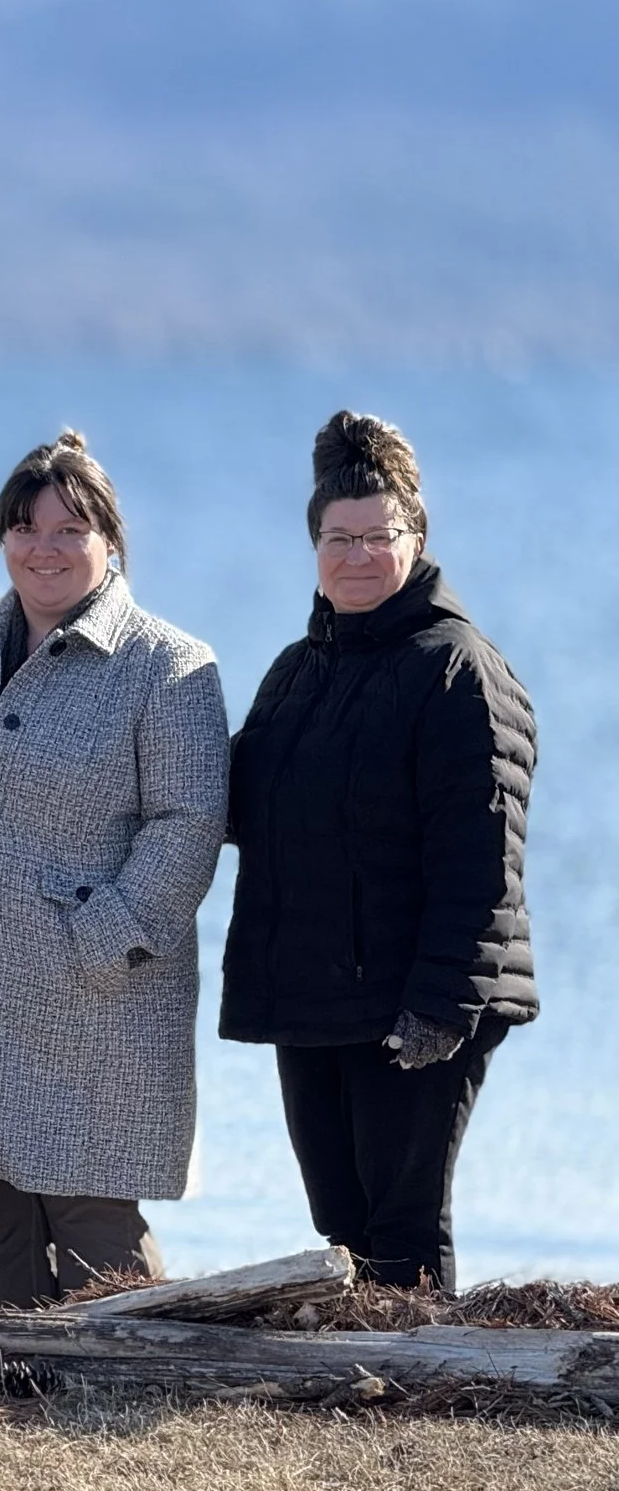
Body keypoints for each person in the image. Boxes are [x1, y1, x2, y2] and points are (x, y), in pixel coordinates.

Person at [0, 431, 228, 1309]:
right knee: (1, 1207)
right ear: (2, 537)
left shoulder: (168, 666)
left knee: (92, 1220)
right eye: (25, 526)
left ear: (110, 541)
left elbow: (189, 822)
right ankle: (20, 1380)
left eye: (69, 529)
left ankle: (130, 1380)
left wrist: (102, 936)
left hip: (96, 997)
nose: (44, 547)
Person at [222, 412, 536, 1291]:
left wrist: (440, 1010)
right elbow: (243, 807)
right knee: (340, 1230)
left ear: (416, 536)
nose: (357, 556)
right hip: (315, 997)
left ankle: (423, 1396)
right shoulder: (297, 669)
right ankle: (364, 1392)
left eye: (378, 536)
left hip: (418, 1001)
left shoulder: (457, 668)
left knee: (402, 1233)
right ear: (313, 543)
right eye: (337, 537)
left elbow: (482, 864)